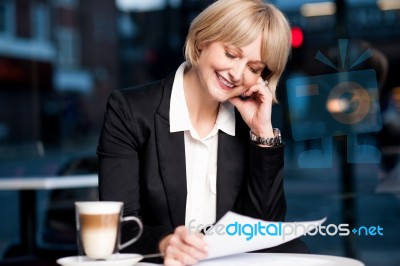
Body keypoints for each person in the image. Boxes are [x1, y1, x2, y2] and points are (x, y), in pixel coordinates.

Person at [97, 0, 306, 265]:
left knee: (296, 249)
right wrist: (164, 243)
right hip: (161, 262)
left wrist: (262, 133)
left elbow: (265, 234)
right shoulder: (129, 111)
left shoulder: (248, 127)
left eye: (254, 68)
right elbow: (116, 227)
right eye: (231, 54)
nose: (237, 74)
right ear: (201, 41)